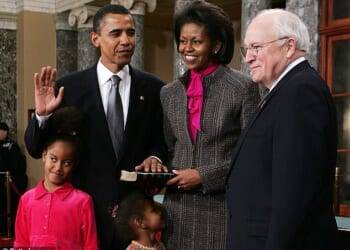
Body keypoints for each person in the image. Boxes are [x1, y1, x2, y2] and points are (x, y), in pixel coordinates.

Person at [24, 4, 166, 250]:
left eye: (130, 33)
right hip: (83, 217)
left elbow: (162, 140)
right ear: (95, 38)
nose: (126, 40)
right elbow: (36, 148)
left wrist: (155, 156)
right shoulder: (69, 89)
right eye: (116, 33)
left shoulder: (154, 88)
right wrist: (42, 116)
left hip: (134, 221)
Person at [136, 1, 260, 249]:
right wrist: (156, 165)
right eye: (182, 41)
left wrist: (204, 176)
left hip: (223, 210)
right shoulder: (168, 93)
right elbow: (169, 148)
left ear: (216, 45)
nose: (187, 49)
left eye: (196, 41)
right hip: (176, 213)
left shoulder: (242, 87)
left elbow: (253, 156)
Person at [226, 9, 337, 250]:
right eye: (247, 49)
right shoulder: (285, 90)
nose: (248, 58)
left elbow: (293, 192)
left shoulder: (300, 91)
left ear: (289, 47)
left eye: (256, 47)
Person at [14, 107, 99, 249]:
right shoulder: (26, 200)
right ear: (44, 155)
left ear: (74, 164)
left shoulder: (83, 201)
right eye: (53, 159)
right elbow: (21, 244)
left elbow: (91, 245)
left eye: (66, 163)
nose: (58, 167)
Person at [0, 122, 27, 236]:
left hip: (9, 182)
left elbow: (17, 165)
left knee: (9, 206)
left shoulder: (12, 146)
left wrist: (9, 178)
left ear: (5, 132)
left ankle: (9, 230)